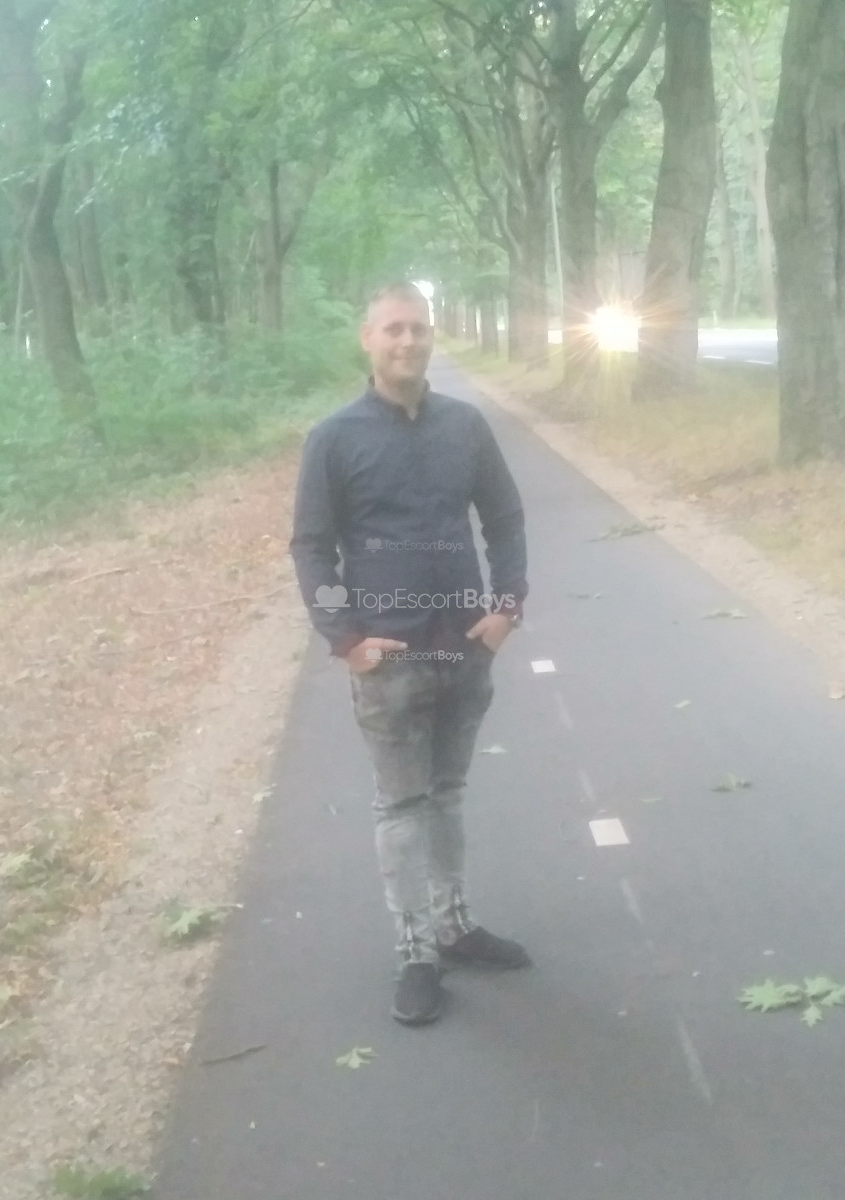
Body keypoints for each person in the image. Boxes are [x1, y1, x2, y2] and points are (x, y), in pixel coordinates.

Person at [290, 282, 531, 1025]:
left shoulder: (465, 426)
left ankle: (455, 925)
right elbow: (311, 546)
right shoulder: (333, 439)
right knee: (401, 803)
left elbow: (504, 516)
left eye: (418, 328)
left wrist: (507, 607)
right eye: (393, 329)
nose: (407, 341)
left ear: (432, 336)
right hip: (387, 658)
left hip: (464, 646)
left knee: (448, 794)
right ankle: (415, 953)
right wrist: (344, 638)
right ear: (367, 338)